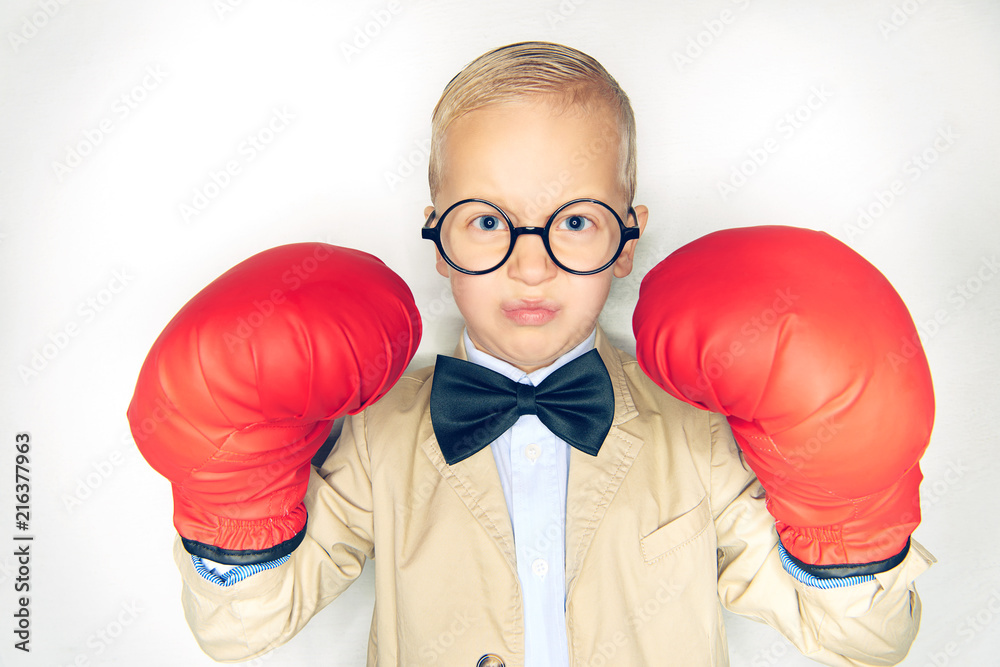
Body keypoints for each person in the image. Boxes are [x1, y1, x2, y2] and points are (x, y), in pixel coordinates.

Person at [128, 41, 935, 666]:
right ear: (437, 238)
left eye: (576, 221)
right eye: (486, 221)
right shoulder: (379, 435)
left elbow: (860, 643)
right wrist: (233, 497)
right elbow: (242, 631)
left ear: (627, 239)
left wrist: (852, 515)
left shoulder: (697, 437)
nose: (531, 260)